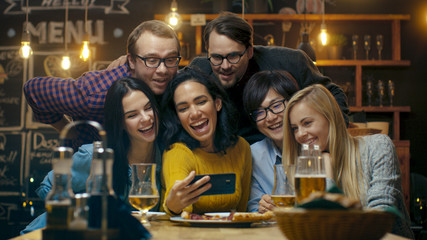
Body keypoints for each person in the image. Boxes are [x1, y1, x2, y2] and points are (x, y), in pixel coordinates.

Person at [21, 77, 162, 234]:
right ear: (120, 123)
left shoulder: (165, 156)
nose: (146, 118)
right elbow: (47, 186)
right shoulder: (97, 157)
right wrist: (83, 211)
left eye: (149, 108)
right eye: (132, 115)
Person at [188, 12, 349, 144]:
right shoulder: (199, 70)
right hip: (230, 158)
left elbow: (333, 94)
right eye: (216, 57)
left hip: (285, 152)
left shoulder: (290, 62)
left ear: (249, 51)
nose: (224, 66)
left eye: (233, 56)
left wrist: (330, 144)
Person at [282, 84, 414, 238]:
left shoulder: (378, 146)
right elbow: (315, 229)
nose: (300, 134)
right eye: (294, 128)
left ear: (330, 117)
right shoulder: (307, 167)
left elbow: (378, 220)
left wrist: (328, 180)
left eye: (307, 123)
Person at [23, 20, 180, 149]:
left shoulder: (177, 83)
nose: (163, 70)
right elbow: (34, 89)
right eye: (151, 60)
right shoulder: (95, 94)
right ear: (131, 61)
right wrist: (69, 131)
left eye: (170, 59)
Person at [160, 68, 252, 216]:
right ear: (177, 117)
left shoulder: (241, 148)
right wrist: (173, 206)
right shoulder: (177, 152)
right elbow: (181, 210)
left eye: (201, 102)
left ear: (217, 103)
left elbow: (241, 213)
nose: (195, 113)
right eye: (183, 108)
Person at [241, 70, 299, 213]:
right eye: (259, 112)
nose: (270, 118)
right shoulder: (254, 155)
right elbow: (254, 207)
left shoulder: (313, 143)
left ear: (293, 102)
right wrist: (262, 208)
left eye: (276, 105)